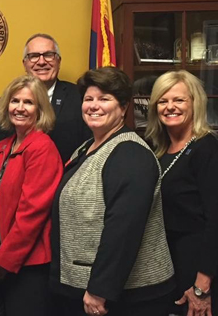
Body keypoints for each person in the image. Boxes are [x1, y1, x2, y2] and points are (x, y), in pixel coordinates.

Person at [49, 67, 174, 316]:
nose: (94, 106)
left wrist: (100, 289)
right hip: (88, 288)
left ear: (123, 107)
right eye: (88, 99)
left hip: (126, 297)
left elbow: (124, 228)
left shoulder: (130, 154)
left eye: (105, 99)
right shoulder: (85, 147)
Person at [0, 75, 62, 316]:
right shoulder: (3, 146)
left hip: (27, 265)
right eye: (15, 101)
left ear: (40, 109)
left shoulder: (42, 148)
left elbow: (32, 213)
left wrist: (5, 260)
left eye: (29, 102)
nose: (20, 108)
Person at [146, 70, 218, 316]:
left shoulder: (206, 148)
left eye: (179, 100)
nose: (170, 107)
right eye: (163, 101)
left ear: (194, 103)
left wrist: (202, 285)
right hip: (168, 265)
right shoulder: (158, 150)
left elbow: (216, 219)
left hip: (199, 267)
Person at [0, 33, 90, 163]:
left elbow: (89, 146)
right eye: (34, 56)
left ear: (58, 61)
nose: (41, 62)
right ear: (25, 64)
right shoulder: (8, 101)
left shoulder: (79, 96)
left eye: (48, 55)